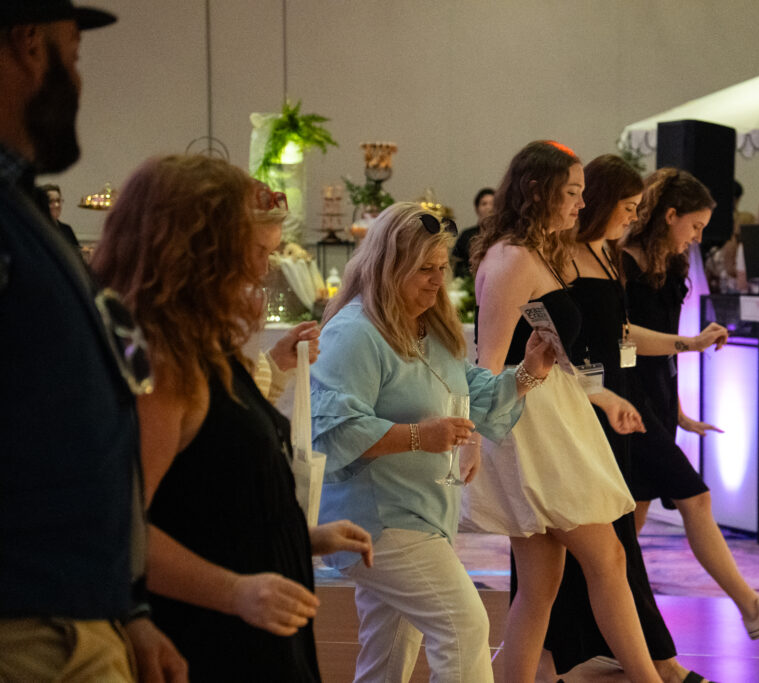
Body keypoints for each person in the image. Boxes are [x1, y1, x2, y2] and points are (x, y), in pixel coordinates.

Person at [92, 155, 374, 682]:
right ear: (200, 250)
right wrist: (236, 591)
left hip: (253, 619)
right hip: (212, 632)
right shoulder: (160, 359)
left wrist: (300, 536)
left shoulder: (203, 345)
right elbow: (120, 528)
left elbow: (208, 498)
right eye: (253, 251)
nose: (262, 270)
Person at [0, 4, 186, 681]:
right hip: (26, 623)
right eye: (72, 55)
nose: (78, 79)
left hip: (75, 612)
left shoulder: (28, 215)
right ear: (29, 45)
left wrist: (126, 608)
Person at [311, 201, 555, 682]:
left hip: (422, 512)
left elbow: (468, 393)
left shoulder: (431, 328)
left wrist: (528, 372)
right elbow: (335, 428)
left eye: (442, 267)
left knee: (388, 655)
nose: (436, 280)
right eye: (423, 268)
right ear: (388, 267)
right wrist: (423, 436)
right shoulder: (354, 333)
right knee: (463, 624)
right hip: (377, 520)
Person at [464, 140, 662, 683]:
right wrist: (472, 442)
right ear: (536, 190)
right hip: (531, 427)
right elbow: (487, 363)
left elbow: (555, 352)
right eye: (571, 192)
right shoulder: (510, 258)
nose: (580, 203)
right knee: (607, 560)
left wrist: (602, 397)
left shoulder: (533, 252)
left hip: (552, 415)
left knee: (543, 583)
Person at [543, 154, 732, 682]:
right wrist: (599, 396)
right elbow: (556, 347)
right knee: (588, 555)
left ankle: (640, 662)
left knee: (607, 549)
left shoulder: (603, 256)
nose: (631, 217)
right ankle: (657, 665)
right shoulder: (562, 257)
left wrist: (687, 344)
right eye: (627, 207)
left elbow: (621, 333)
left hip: (613, 405)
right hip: (581, 412)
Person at [622, 167, 759, 640]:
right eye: (694, 225)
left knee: (626, 533)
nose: (697, 236)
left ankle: (611, 636)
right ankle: (752, 608)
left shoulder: (671, 264)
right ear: (668, 215)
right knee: (695, 498)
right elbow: (622, 343)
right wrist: (688, 344)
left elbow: (663, 353)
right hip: (629, 405)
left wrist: (678, 409)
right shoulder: (624, 264)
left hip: (656, 404)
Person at [451, 186, 495, 279]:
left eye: (492, 203)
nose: (488, 207)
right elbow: (456, 263)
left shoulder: (504, 235)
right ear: (477, 208)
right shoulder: (466, 235)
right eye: (484, 204)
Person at [39, 181, 79, 247]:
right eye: (51, 201)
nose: (57, 205)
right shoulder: (37, 229)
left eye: (58, 201)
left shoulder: (67, 229)